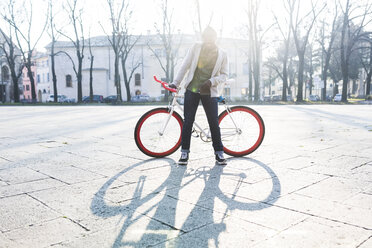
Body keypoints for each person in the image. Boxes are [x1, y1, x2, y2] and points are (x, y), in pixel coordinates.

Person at [169, 26, 228, 166]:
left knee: (214, 122)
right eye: (205, 37)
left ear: (215, 38)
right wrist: (175, 83)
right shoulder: (196, 48)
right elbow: (185, 65)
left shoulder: (222, 53)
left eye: (211, 37)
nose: (208, 40)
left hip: (210, 91)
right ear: (202, 38)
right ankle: (184, 152)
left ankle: (219, 153)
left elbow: (224, 75)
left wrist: (211, 81)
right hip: (192, 89)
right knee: (188, 121)